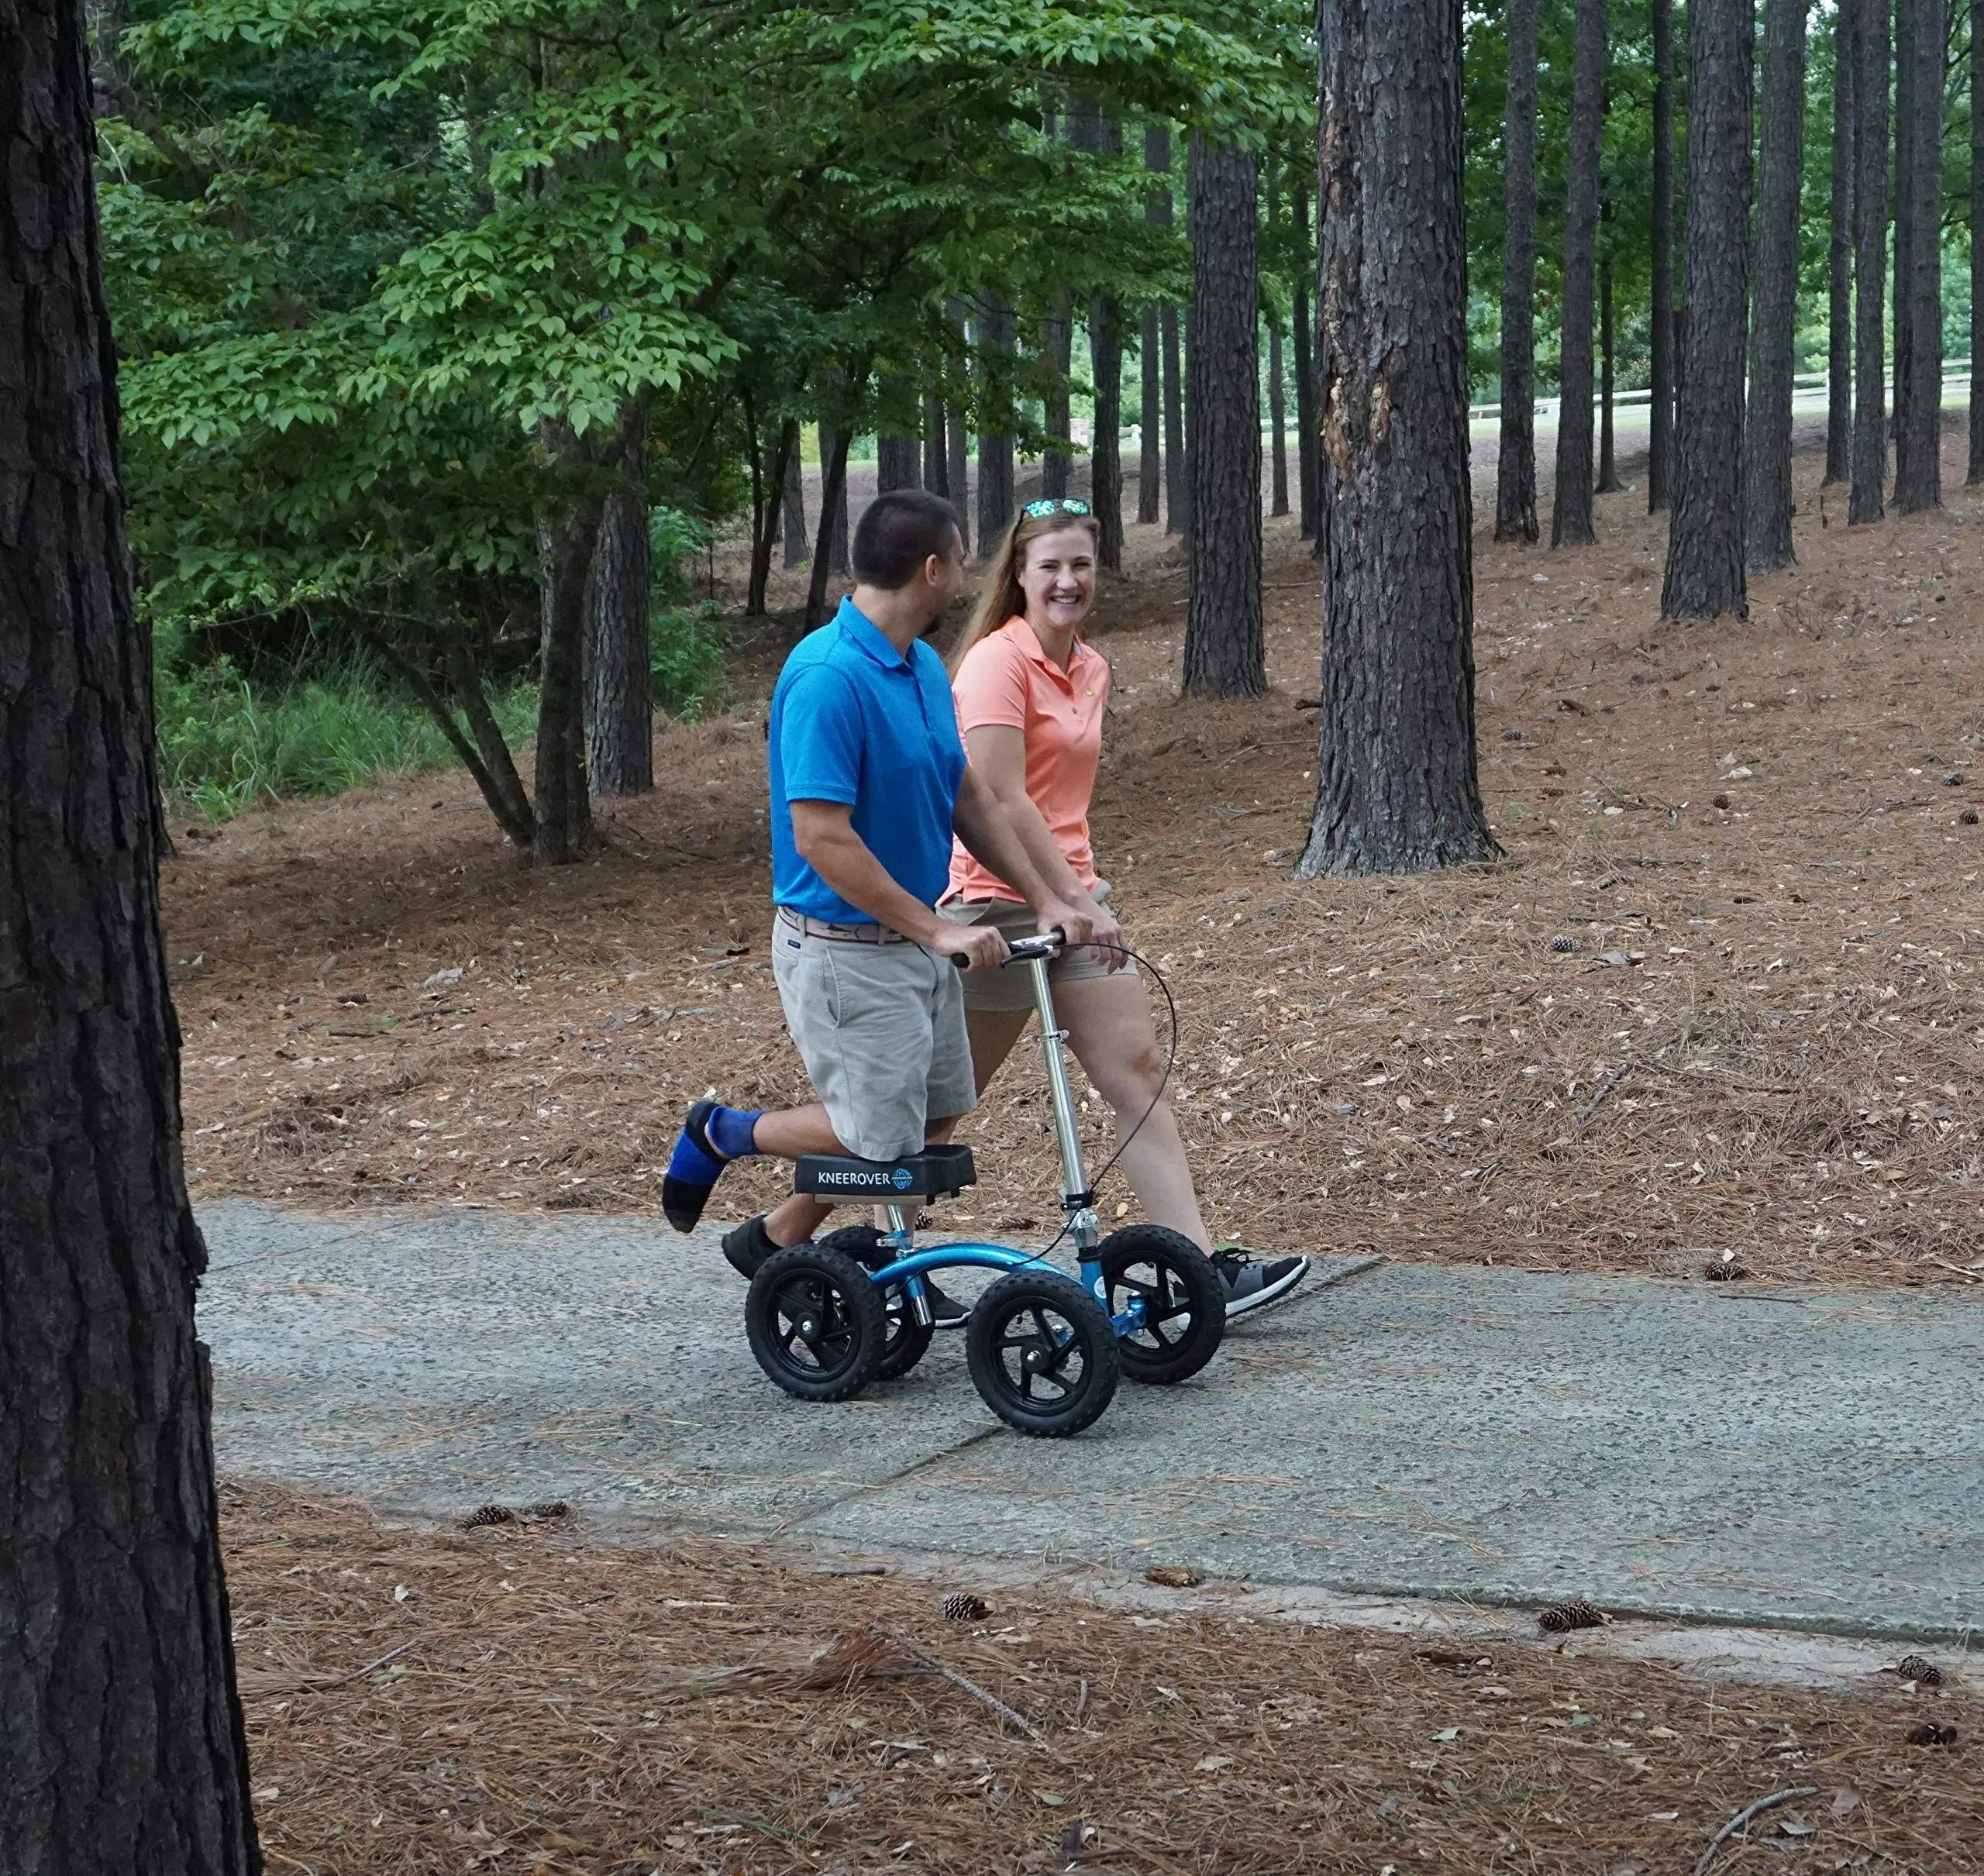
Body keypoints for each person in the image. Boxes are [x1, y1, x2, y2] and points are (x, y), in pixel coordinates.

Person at [663, 489, 1104, 1319]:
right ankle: (723, 1132)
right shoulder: (828, 677)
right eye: (961, 565)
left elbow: (967, 794)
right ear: (931, 569)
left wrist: (1048, 894)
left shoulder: (919, 667)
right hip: (842, 948)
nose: (967, 581)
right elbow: (822, 837)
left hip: (912, 939)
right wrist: (935, 925)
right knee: (882, 1137)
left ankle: (803, 1245)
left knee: (935, 1112)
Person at [936, 498, 1309, 1317]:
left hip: (1071, 900)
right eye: (1051, 567)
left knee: (1134, 1069)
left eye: (1081, 566)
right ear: (1020, 577)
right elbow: (1000, 796)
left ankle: (1201, 1270)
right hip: (997, 903)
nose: (1068, 582)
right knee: (940, 1104)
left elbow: (1063, 803)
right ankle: (811, 1234)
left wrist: (1080, 895)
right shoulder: (995, 664)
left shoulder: (1090, 666)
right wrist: (1067, 897)